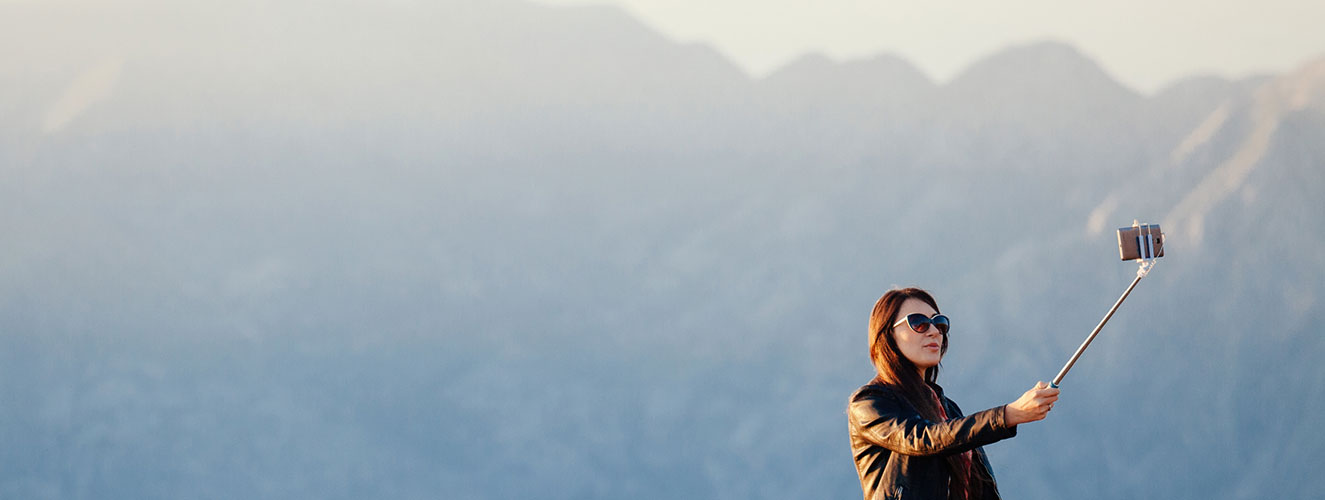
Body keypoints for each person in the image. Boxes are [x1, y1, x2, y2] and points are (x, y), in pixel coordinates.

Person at [847, 287, 1060, 500]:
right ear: (888, 335)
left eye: (939, 323)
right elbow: (922, 438)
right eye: (919, 323)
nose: (934, 331)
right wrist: (1008, 415)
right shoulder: (868, 402)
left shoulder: (947, 408)